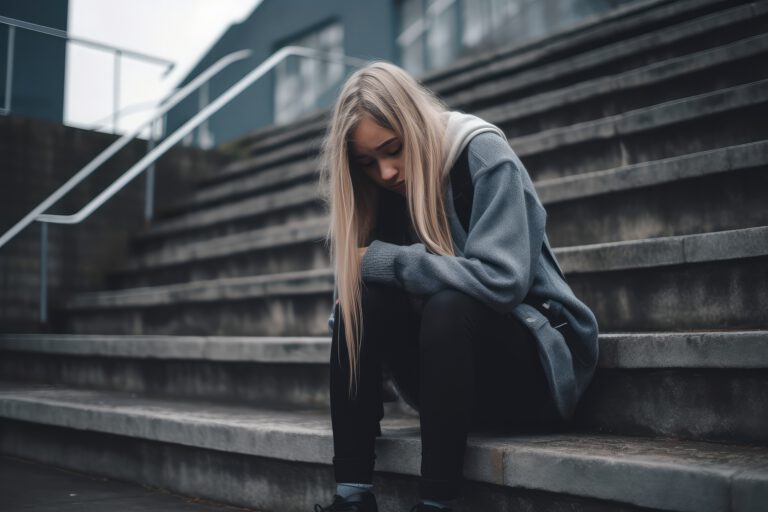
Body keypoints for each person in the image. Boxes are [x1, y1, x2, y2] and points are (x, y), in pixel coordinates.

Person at [315, 61, 599, 512]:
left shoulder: (481, 154)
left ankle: (438, 503)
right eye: (368, 163)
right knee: (358, 302)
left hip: (532, 378)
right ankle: (352, 495)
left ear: (413, 123)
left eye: (393, 149)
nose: (386, 172)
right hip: (447, 386)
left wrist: (390, 262)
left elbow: (502, 281)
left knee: (448, 304)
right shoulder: (383, 192)